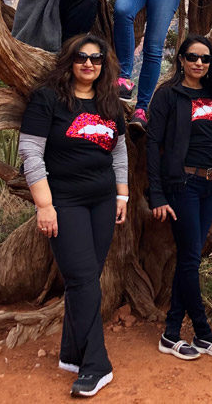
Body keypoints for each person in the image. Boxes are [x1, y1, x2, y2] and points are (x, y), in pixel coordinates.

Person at [18, 35, 129, 397]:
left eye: (96, 59)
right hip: (64, 202)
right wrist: (44, 205)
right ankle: (96, 365)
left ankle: (71, 352)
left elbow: (119, 152)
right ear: (69, 60)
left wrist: (122, 194)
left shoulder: (109, 103)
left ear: (104, 66)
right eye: (81, 57)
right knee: (82, 280)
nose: (88, 64)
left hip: (102, 201)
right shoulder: (48, 99)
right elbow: (31, 153)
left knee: (87, 278)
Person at [147, 34, 212, 361]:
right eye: (192, 56)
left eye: (205, 58)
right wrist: (156, 194)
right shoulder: (168, 95)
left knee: (190, 257)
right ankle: (202, 331)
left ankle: (172, 333)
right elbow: (152, 145)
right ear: (182, 60)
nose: (199, 62)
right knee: (189, 257)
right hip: (182, 183)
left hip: (210, 187)